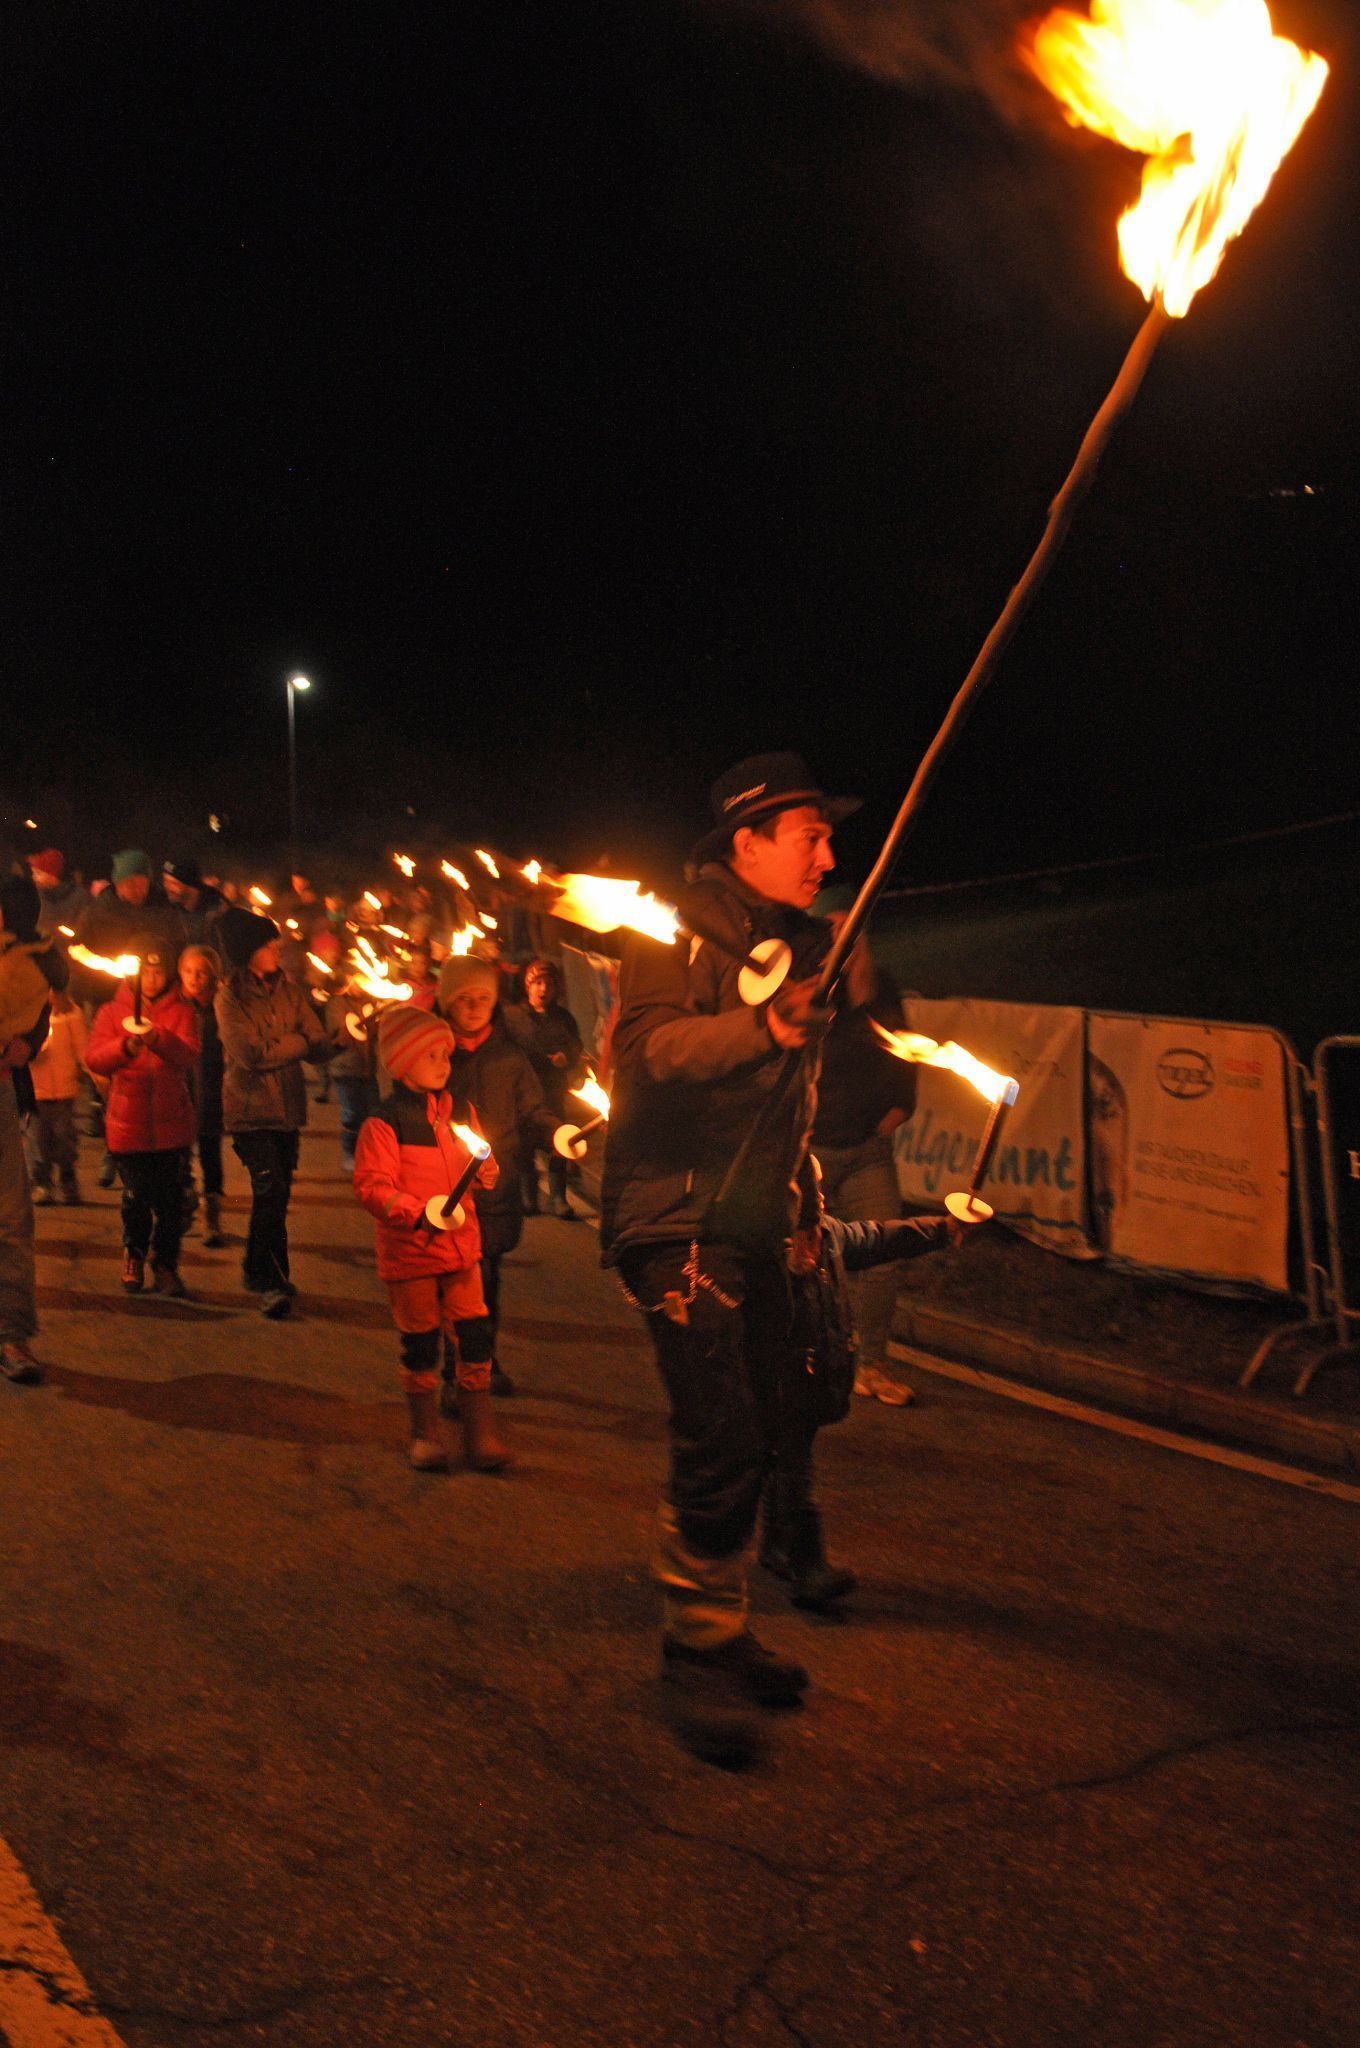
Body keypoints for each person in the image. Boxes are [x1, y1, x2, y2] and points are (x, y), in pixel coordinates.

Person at [600, 750, 873, 1762]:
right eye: (811, 836)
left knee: (762, 1429)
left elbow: (787, 1108)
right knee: (716, 1435)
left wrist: (801, 1205)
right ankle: (691, 1654)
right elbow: (650, 1052)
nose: (829, 853)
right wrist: (764, 1023)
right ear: (747, 842)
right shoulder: (669, 933)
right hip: (676, 1216)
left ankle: (723, 1627)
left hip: (758, 1220)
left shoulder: (803, 944)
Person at [353, 1005, 508, 1473]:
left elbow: (482, 1164)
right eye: (432, 1055)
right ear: (402, 1063)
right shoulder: (386, 1123)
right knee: (420, 1342)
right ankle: (425, 1434)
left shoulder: (461, 1111)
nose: (445, 1062)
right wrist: (418, 1212)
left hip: (461, 1248)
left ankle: (480, 1434)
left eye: (446, 1053)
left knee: (475, 1336)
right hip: (413, 1252)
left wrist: (486, 1171)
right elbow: (371, 1187)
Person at [435, 954, 562, 1403]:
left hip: (495, 1189)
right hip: (446, 1189)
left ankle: (484, 1359)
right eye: (464, 999)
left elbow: (532, 1111)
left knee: (487, 1282)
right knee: (453, 1281)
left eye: (483, 999)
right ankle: (453, 1369)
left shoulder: (509, 1057)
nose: (473, 1007)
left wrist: (555, 1133)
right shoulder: (433, 1053)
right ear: (446, 1002)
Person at [810, 970, 923, 1405]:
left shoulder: (881, 992)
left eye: (855, 935)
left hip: (866, 1151)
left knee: (883, 1254)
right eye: (838, 935)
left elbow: (905, 1049)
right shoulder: (810, 992)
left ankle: (870, 1365)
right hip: (811, 1153)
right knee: (795, 1258)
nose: (850, 944)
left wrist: (901, 1106)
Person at [215, 906, 332, 1317]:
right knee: (271, 1189)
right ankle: (266, 1280)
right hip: (250, 1110)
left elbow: (316, 1043)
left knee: (279, 1193)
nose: (276, 949)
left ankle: (265, 1269)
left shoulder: (290, 991)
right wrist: (298, 1042)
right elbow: (249, 1054)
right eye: (268, 944)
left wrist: (337, 1038)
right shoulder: (229, 997)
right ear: (249, 952)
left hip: (288, 1109)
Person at [86, 947, 201, 1298]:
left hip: (171, 1123)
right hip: (128, 1122)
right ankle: (133, 1255)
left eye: (158, 972)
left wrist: (158, 1039)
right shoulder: (110, 1011)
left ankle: (166, 1266)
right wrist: (125, 1048)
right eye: (145, 973)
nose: (151, 980)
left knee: (170, 1202)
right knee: (136, 1198)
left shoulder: (181, 1010)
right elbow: (95, 1058)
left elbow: (188, 1054)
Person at [1, 873, 70, 1382]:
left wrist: (30, 1037)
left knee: (8, 1219)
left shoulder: (35, 959)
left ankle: (12, 1334)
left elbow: (40, 1008)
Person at [503, 958, 586, 1218]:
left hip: (552, 1090)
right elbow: (508, 1048)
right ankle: (529, 1197)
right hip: (524, 1091)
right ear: (528, 985)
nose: (543, 989)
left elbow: (575, 1047)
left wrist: (566, 1057)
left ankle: (558, 1198)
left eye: (548, 984)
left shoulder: (563, 1018)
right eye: (537, 983)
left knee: (558, 1143)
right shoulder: (513, 1016)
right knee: (525, 1144)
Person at [178, 945, 227, 1246]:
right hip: (180, 1089)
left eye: (202, 972)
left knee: (210, 1152)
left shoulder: (221, 1007)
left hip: (211, 1089)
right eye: (188, 972)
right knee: (180, 1154)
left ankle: (213, 1212)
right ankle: (185, 1204)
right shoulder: (174, 1005)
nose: (195, 978)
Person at [25, 988, 89, 1206]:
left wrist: (93, 1072)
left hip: (64, 1090)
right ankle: (42, 1183)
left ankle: (67, 1179)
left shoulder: (71, 1014)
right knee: (38, 1139)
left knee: (65, 1138)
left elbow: (82, 1048)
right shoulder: (27, 1013)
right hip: (35, 1090)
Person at [326, 972, 380, 1173]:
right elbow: (341, 1034)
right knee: (353, 1113)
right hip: (345, 1068)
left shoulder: (369, 1002)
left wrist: (377, 1020)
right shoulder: (337, 1003)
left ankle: (368, 1154)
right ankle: (349, 1152)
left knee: (373, 1111)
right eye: (356, 980)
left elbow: (374, 1033)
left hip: (366, 1067)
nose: (360, 985)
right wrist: (359, 1024)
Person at [161, 858, 226, 947]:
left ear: (191, 886)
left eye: (173, 883)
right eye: (165, 880)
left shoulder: (218, 912)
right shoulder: (168, 910)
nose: (167, 887)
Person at [27, 849, 88, 937]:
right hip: (42, 947)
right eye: (33, 873)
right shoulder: (36, 896)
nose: (34, 877)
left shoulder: (80, 897)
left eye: (38, 873)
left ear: (52, 876)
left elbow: (85, 930)